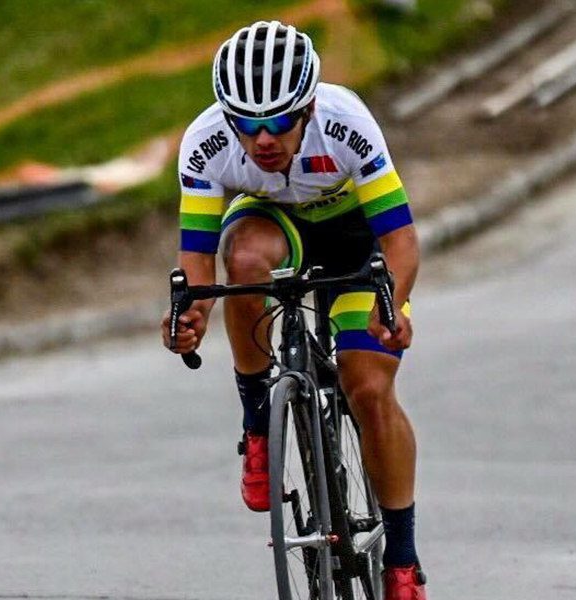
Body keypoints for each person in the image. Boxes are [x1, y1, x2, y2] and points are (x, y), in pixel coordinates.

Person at [161, 21, 427, 599]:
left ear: (307, 107)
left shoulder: (346, 123)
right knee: (246, 260)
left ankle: (402, 560)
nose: (263, 139)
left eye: (279, 121)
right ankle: (258, 419)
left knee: (368, 388)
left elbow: (400, 241)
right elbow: (198, 261)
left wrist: (391, 306)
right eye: (247, 125)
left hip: (357, 235)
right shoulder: (205, 141)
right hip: (274, 224)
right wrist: (191, 318)